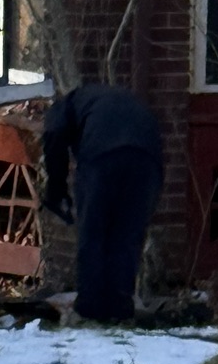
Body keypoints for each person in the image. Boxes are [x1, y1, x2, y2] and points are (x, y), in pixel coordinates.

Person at [43, 82, 163, 322]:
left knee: (93, 233)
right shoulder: (114, 99)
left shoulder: (65, 106)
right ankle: (119, 308)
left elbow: (54, 134)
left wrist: (55, 187)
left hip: (101, 157)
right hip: (147, 160)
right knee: (127, 236)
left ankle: (88, 309)